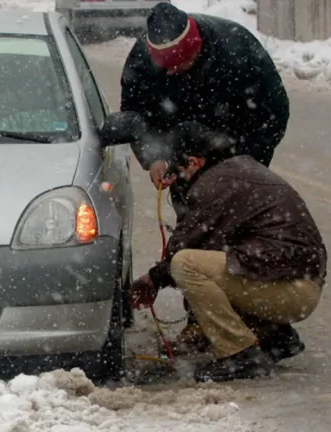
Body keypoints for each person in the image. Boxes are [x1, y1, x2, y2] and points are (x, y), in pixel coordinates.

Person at [119, 2, 291, 352]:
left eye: (184, 63)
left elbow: (274, 114)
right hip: (180, 157)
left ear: (195, 45)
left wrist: (236, 165)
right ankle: (202, 321)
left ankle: (266, 325)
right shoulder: (142, 60)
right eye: (169, 67)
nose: (177, 71)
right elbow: (135, 117)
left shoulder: (237, 49)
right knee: (193, 232)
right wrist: (154, 157)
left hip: (238, 152)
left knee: (240, 235)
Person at [129, 122, 327, 383]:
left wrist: (153, 278)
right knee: (220, 262)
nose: (174, 180)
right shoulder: (239, 169)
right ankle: (274, 335)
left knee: (187, 265)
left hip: (291, 290)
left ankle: (239, 353)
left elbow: (185, 247)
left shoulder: (215, 184)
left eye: (177, 170)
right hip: (298, 282)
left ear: (194, 161)